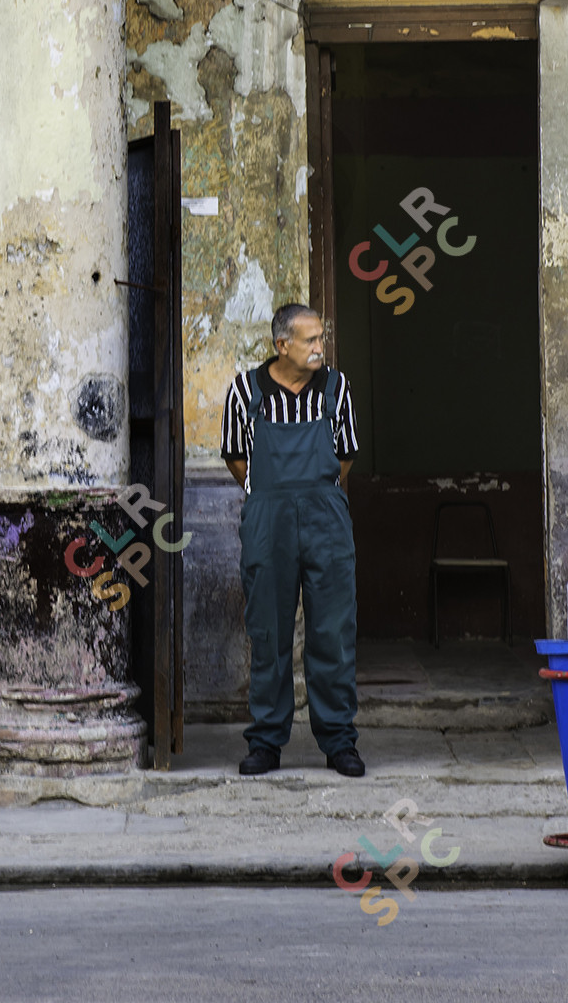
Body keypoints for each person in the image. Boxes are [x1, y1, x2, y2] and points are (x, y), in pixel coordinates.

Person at [219, 302, 365, 778]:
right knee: (269, 633)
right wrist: (272, 495)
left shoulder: (337, 389)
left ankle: (339, 741)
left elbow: (344, 457)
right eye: (311, 341)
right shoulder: (246, 391)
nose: (321, 348)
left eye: (322, 339)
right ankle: (265, 743)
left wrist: (313, 491)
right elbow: (237, 459)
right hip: (268, 522)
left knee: (332, 634)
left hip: (326, 519)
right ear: (283, 345)